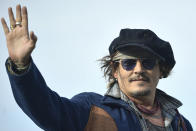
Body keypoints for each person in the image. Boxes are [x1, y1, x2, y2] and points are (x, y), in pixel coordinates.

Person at [1, 5, 193, 131]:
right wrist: (21, 66)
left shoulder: (182, 124)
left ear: (161, 71)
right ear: (115, 70)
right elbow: (46, 109)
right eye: (128, 63)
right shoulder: (92, 110)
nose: (138, 69)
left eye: (148, 62)